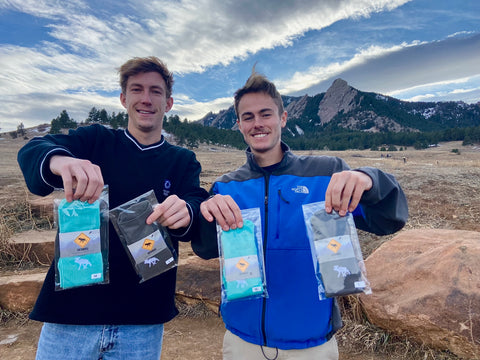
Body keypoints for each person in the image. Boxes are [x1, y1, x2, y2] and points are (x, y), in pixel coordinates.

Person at [194, 70, 408, 360]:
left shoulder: (327, 173)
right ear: (239, 125)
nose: (257, 123)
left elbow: (388, 220)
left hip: (312, 345)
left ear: (283, 119)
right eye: (248, 117)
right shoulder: (226, 186)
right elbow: (206, 249)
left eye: (265, 114)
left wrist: (370, 180)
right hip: (242, 342)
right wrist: (204, 214)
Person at [17, 56, 209, 360]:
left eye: (156, 91)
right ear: (123, 98)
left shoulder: (182, 160)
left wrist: (187, 210)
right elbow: (32, 151)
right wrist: (61, 160)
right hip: (71, 314)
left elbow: (197, 203)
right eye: (137, 89)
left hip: (143, 321)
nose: (146, 99)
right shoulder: (95, 141)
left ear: (168, 103)